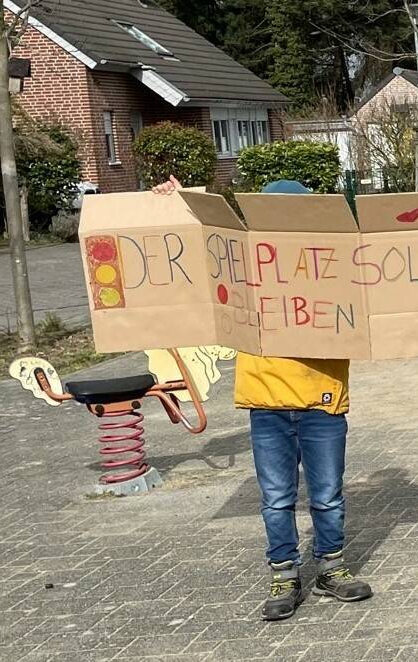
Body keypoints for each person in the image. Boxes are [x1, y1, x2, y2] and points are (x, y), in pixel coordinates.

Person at [152, 176, 375, 622]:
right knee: (276, 497)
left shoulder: (333, 268)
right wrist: (177, 206)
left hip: (322, 401)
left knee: (328, 495)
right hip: (266, 402)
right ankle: (284, 573)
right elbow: (199, 255)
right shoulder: (246, 268)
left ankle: (330, 567)